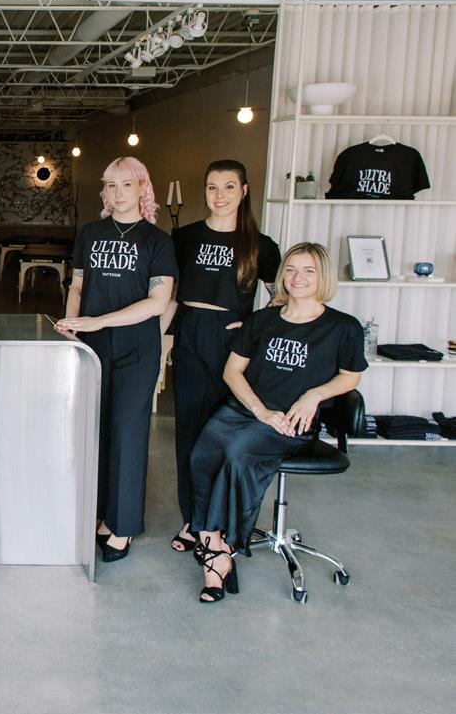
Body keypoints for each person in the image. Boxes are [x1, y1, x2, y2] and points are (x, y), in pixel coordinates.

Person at [188, 242, 366, 602]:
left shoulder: (342, 327)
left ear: (323, 277)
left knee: (238, 454)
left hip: (291, 419)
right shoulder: (262, 320)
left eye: (309, 271)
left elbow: (351, 376)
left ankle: (221, 554)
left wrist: (314, 395)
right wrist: (259, 411)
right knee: (202, 455)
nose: (298, 278)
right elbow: (232, 372)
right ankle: (212, 540)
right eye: (291, 269)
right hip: (248, 410)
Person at [55, 157, 176, 563]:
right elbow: (77, 285)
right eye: (110, 185)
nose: (117, 192)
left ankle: (122, 526)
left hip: (136, 349)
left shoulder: (157, 241)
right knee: (94, 430)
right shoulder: (90, 233)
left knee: (126, 432)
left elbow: (157, 302)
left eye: (126, 184)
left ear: (143, 188)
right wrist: (72, 325)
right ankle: (99, 513)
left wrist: (98, 320)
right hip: (91, 346)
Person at [161, 160, 280, 554]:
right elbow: (170, 295)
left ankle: (217, 523)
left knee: (223, 434)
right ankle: (193, 521)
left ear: (244, 191)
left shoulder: (261, 245)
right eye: (212, 187)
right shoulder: (184, 237)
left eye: (229, 187)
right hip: (190, 332)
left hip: (233, 341)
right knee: (189, 433)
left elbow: (281, 299)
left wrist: (254, 327)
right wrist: (158, 341)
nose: (220, 195)